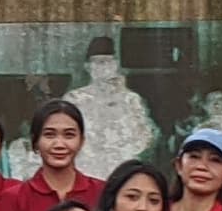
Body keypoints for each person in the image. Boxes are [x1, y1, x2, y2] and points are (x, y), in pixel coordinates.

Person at [6, 96, 98, 211]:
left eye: (69, 135)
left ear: (82, 141)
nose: (59, 144)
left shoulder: (101, 192)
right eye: (49, 135)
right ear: (35, 142)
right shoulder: (15, 198)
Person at [65, 38, 158, 172]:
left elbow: (145, 137)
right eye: (98, 62)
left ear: (115, 65)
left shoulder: (130, 99)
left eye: (109, 62)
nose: (104, 67)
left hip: (121, 170)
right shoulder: (74, 99)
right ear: (88, 66)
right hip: (86, 169)